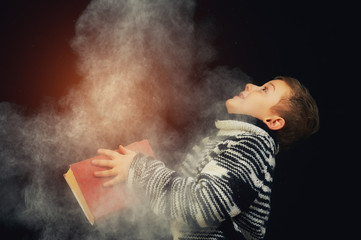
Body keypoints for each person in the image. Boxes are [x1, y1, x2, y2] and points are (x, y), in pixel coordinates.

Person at [92, 76, 319, 239]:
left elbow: (202, 206)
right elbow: (179, 205)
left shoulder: (254, 146)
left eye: (265, 89)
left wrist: (138, 169)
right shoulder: (229, 142)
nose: (251, 85)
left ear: (274, 121)